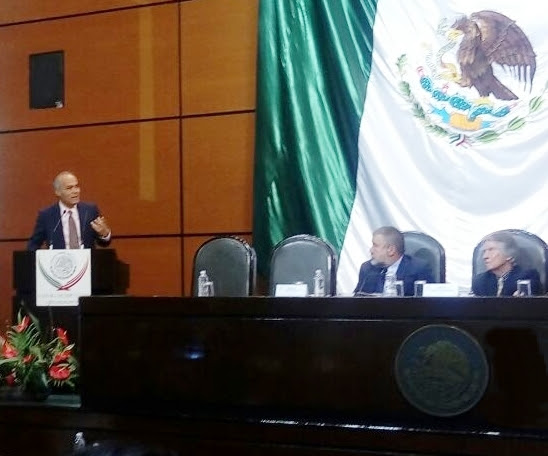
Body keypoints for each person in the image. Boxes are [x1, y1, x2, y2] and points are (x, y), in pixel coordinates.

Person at [27, 171, 111, 250]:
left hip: (86, 260)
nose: (75, 191)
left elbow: (104, 243)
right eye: (69, 188)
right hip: (59, 260)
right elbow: (33, 245)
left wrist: (104, 234)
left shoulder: (90, 211)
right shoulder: (46, 215)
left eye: (76, 186)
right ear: (58, 192)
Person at [354, 226, 434, 296]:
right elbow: (357, 299)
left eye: (375, 246)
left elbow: (428, 303)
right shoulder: (367, 268)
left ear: (391, 250)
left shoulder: (418, 269)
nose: (371, 250)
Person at [471, 231, 541, 296]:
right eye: (484, 251)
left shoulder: (526, 277)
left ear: (509, 255)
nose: (485, 256)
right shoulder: (479, 281)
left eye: (491, 250)